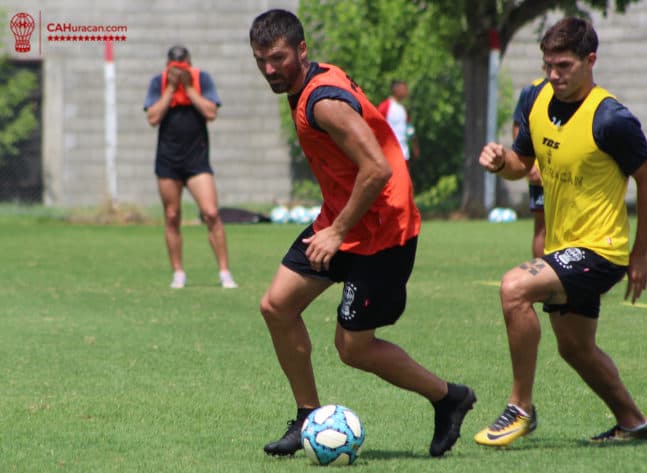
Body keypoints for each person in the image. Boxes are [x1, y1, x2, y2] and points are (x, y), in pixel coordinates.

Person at [249, 9, 475, 458]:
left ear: (302, 50)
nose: (270, 70)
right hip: (343, 219)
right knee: (277, 306)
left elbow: (377, 168)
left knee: (353, 348)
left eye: (278, 58)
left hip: (383, 230)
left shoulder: (323, 101)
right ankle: (307, 416)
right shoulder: (306, 85)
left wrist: (336, 231)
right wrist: (334, 226)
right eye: (261, 61)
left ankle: (449, 397)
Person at [475, 17, 647, 446]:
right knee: (575, 348)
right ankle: (633, 422)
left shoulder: (612, 118)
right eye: (548, 66)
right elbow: (523, 164)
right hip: (563, 247)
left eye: (563, 66)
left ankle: (520, 408)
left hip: (601, 250)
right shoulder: (536, 100)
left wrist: (641, 253)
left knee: (514, 287)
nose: (554, 75)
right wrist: (502, 160)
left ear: (590, 60)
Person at [144, 45, 237, 289]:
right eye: (174, 68)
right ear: (167, 65)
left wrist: (188, 87)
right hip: (168, 161)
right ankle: (178, 273)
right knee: (172, 216)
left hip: (197, 161)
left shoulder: (201, 79)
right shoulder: (159, 83)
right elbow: (153, 117)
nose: (178, 71)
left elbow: (211, 112)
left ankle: (225, 273)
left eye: (182, 67)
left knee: (211, 214)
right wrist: (172, 88)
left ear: (189, 64)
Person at [512, 79, 546, 258]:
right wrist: (530, 165)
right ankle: (541, 277)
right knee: (542, 227)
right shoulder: (533, 91)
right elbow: (518, 127)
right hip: (540, 172)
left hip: (568, 176)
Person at [377, 80, 420, 166]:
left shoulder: (403, 109)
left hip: (404, 153)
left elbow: (409, 128)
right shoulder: (385, 106)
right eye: (404, 88)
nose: (407, 91)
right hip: (390, 154)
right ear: (395, 89)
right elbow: (376, 125)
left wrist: (415, 145)